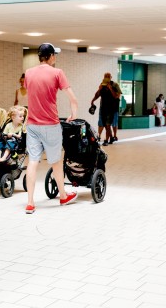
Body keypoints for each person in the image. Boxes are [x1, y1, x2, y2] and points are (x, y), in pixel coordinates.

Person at [24, 43, 78, 214]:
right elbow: (72, 98)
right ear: (51, 56)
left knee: (33, 161)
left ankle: (30, 203)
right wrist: (73, 113)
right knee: (55, 161)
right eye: (55, 55)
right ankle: (63, 196)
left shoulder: (29, 73)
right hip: (50, 124)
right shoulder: (57, 73)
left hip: (32, 124)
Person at [90, 72, 121, 146]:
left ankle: (107, 140)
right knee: (103, 124)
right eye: (105, 76)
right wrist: (93, 99)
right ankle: (110, 137)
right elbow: (97, 95)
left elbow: (117, 96)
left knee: (108, 125)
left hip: (111, 108)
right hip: (103, 108)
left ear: (111, 77)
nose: (107, 77)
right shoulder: (102, 85)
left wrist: (110, 88)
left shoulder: (115, 85)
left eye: (108, 76)